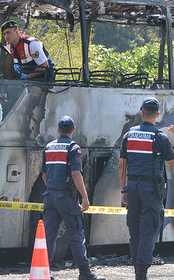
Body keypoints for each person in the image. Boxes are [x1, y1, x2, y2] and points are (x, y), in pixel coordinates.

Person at [118, 97, 174, 280]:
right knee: (149, 230)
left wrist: (123, 189)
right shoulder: (160, 137)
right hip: (151, 189)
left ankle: (137, 271)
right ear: (158, 115)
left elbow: (122, 165)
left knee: (135, 232)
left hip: (132, 186)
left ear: (142, 113)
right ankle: (142, 274)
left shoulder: (129, 135)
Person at [42, 116, 104, 280]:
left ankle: (43, 273)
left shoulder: (48, 147)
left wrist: (52, 188)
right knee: (76, 235)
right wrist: (85, 197)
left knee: (49, 236)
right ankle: (85, 273)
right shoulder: (73, 148)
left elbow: (44, 175)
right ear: (74, 130)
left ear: (58, 129)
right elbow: (76, 174)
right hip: (67, 198)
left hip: (50, 196)